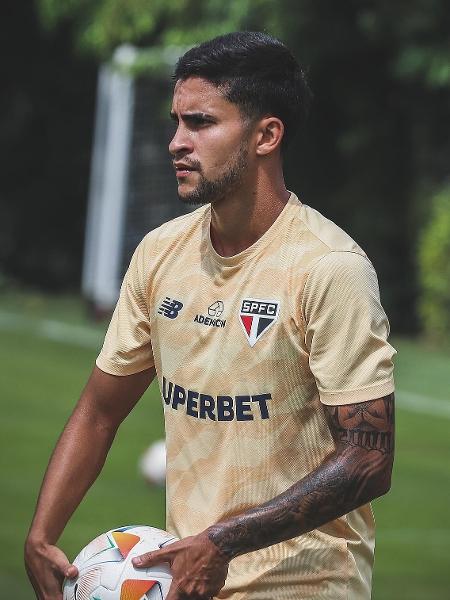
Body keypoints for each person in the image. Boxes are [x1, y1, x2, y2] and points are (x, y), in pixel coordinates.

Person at [25, 31, 396, 600]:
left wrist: (222, 540)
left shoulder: (329, 268)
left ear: (266, 134)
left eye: (200, 123)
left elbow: (368, 460)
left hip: (304, 586)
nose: (177, 142)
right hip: (190, 583)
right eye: (176, 122)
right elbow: (100, 410)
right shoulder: (159, 253)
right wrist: (42, 534)